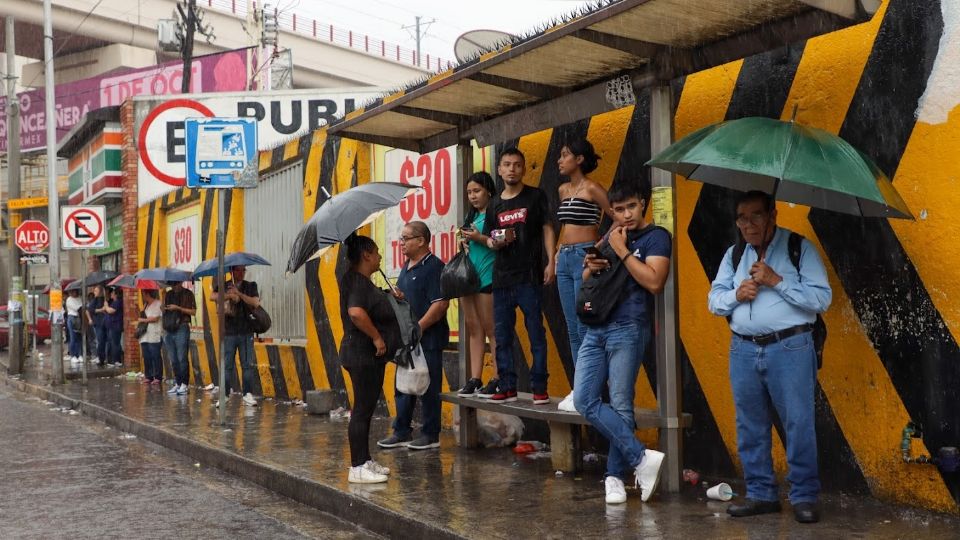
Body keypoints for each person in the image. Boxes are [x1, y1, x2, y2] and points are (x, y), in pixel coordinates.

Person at [708, 190, 832, 524]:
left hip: (790, 347)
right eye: (742, 218)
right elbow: (714, 300)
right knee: (749, 425)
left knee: (798, 422)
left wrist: (776, 281)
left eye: (756, 216)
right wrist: (737, 295)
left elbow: (821, 300)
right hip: (743, 348)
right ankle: (761, 494)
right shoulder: (735, 255)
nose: (748, 225)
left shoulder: (798, 248)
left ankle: (804, 496)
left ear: (773, 215)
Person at [573, 177, 670, 505]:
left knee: (620, 403)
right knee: (584, 399)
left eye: (631, 207)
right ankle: (641, 459)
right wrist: (593, 265)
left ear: (642, 203)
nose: (626, 215)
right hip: (597, 326)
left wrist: (622, 251)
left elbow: (655, 282)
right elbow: (589, 278)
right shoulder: (610, 235)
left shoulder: (657, 237)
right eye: (618, 210)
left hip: (629, 325)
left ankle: (614, 477)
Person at [481, 147, 556, 404]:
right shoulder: (494, 205)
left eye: (517, 164)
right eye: (507, 164)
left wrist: (551, 261)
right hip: (501, 278)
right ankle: (507, 386)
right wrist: (499, 240)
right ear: (500, 170)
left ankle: (539, 387)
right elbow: (491, 239)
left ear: (523, 169)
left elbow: (547, 229)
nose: (512, 169)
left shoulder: (535, 197)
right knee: (501, 336)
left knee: (536, 332)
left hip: (529, 276)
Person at [378, 221, 450, 451]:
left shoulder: (435, 267)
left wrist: (418, 328)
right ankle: (401, 431)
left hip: (428, 338)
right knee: (403, 385)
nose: (402, 243)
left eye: (406, 238)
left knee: (428, 385)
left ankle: (430, 434)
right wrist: (399, 295)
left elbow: (440, 305)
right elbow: (408, 299)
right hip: (407, 339)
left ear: (421, 240)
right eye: (401, 239)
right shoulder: (407, 266)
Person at [554, 139, 611, 411]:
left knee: (584, 324)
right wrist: (555, 254)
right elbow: (564, 225)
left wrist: (600, 245)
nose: (560, 160)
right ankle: (581, 387)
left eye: (565, 155)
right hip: (564, 258)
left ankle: (591, 388)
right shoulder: (563, 189)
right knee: (570, 326)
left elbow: (618, 215)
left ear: (579, 159)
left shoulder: (593, 188)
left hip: (583, 256)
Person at [338, 234, 399, 483]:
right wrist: (376, 337)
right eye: (376, 252)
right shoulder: (356, 281)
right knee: (361, 410)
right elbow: (356, 313)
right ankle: (357, 467)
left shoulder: (363, 281)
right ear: (366, 255)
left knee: (366, 409)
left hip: (366, 356)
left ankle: (365, 460)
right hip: (361, 353)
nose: (379, 257)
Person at [457, 172, 499, 397]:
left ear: (488, 191)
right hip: (468, 279)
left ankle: (498, 377)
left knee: (492, 329)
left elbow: (498, 243)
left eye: (477, 191)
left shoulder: (496, 214)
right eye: (469, 192)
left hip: (488, 277)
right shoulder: (470, 217)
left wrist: (478, 238)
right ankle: (475, 377)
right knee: (474, 329)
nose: (472, 196)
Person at [211, 265, 260, 407]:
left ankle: (247, 394)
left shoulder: (250, 285)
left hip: (246, 331)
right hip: (229, 332)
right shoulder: (224, 285)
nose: (241, 273)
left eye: (243, 270)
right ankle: (224, 395)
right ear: (232, 271)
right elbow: (212, 296)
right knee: (227, 366)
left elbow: (255, 302)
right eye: (238, 270)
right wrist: (229, 295)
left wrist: (239, 294)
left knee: (247, 365)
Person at [164, 281, 197, 395]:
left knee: (182, 357)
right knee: (173, 358)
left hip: (182, 326)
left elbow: (193, 312)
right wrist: (164, 308)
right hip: (169, 328)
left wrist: (178, 308)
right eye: (172, 284)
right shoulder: (168, 294)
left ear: (181, 282)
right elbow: (165, 311)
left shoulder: (188, 294)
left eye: (176, 284)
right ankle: (177, 383)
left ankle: (184, 384)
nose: (174, 286)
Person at [137, 289, 163, 385]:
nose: (142, 296)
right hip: (145, 335)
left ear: (147, 293)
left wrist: (142, 319)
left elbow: (155, 318)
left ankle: (158, 376)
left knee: (155, 355)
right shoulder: (146, 305)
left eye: (143, 294)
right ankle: (149, 376)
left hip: (154, 335)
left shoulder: (158, 304)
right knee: (146, 356)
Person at [102, 288, 124, 368]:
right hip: (111, 325)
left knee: (115, 343)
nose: (111, 294)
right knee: (111, 343)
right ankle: (111, 360)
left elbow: (111, 311)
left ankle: (116, 360)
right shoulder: (114, 302)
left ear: (116, 295)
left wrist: (106, 306)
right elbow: (107, 311)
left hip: (115, 325)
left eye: (113, 293)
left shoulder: (118, 302)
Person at [89, 285, 108, 367]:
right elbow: (91, 310)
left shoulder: (105, 299)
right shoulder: (95, 300)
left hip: (106, 323)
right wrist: (101, 309)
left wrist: (105, 309)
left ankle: (107, 357)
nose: (94, 292)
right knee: (100, 341)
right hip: (98, 323)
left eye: (96, 291)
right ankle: (101, 358)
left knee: (106, 341)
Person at [65, 288, 84, 365]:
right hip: (72, 318)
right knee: (73, 337)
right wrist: (81, 307)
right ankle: (73, 355)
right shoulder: (69, 299)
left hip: (79, 318)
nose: (74, 293)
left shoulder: (79, 298)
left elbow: (82, 306)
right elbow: (78, 308)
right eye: (73, 291)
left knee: (79, 338)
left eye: (76, 291)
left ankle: (79, 354)